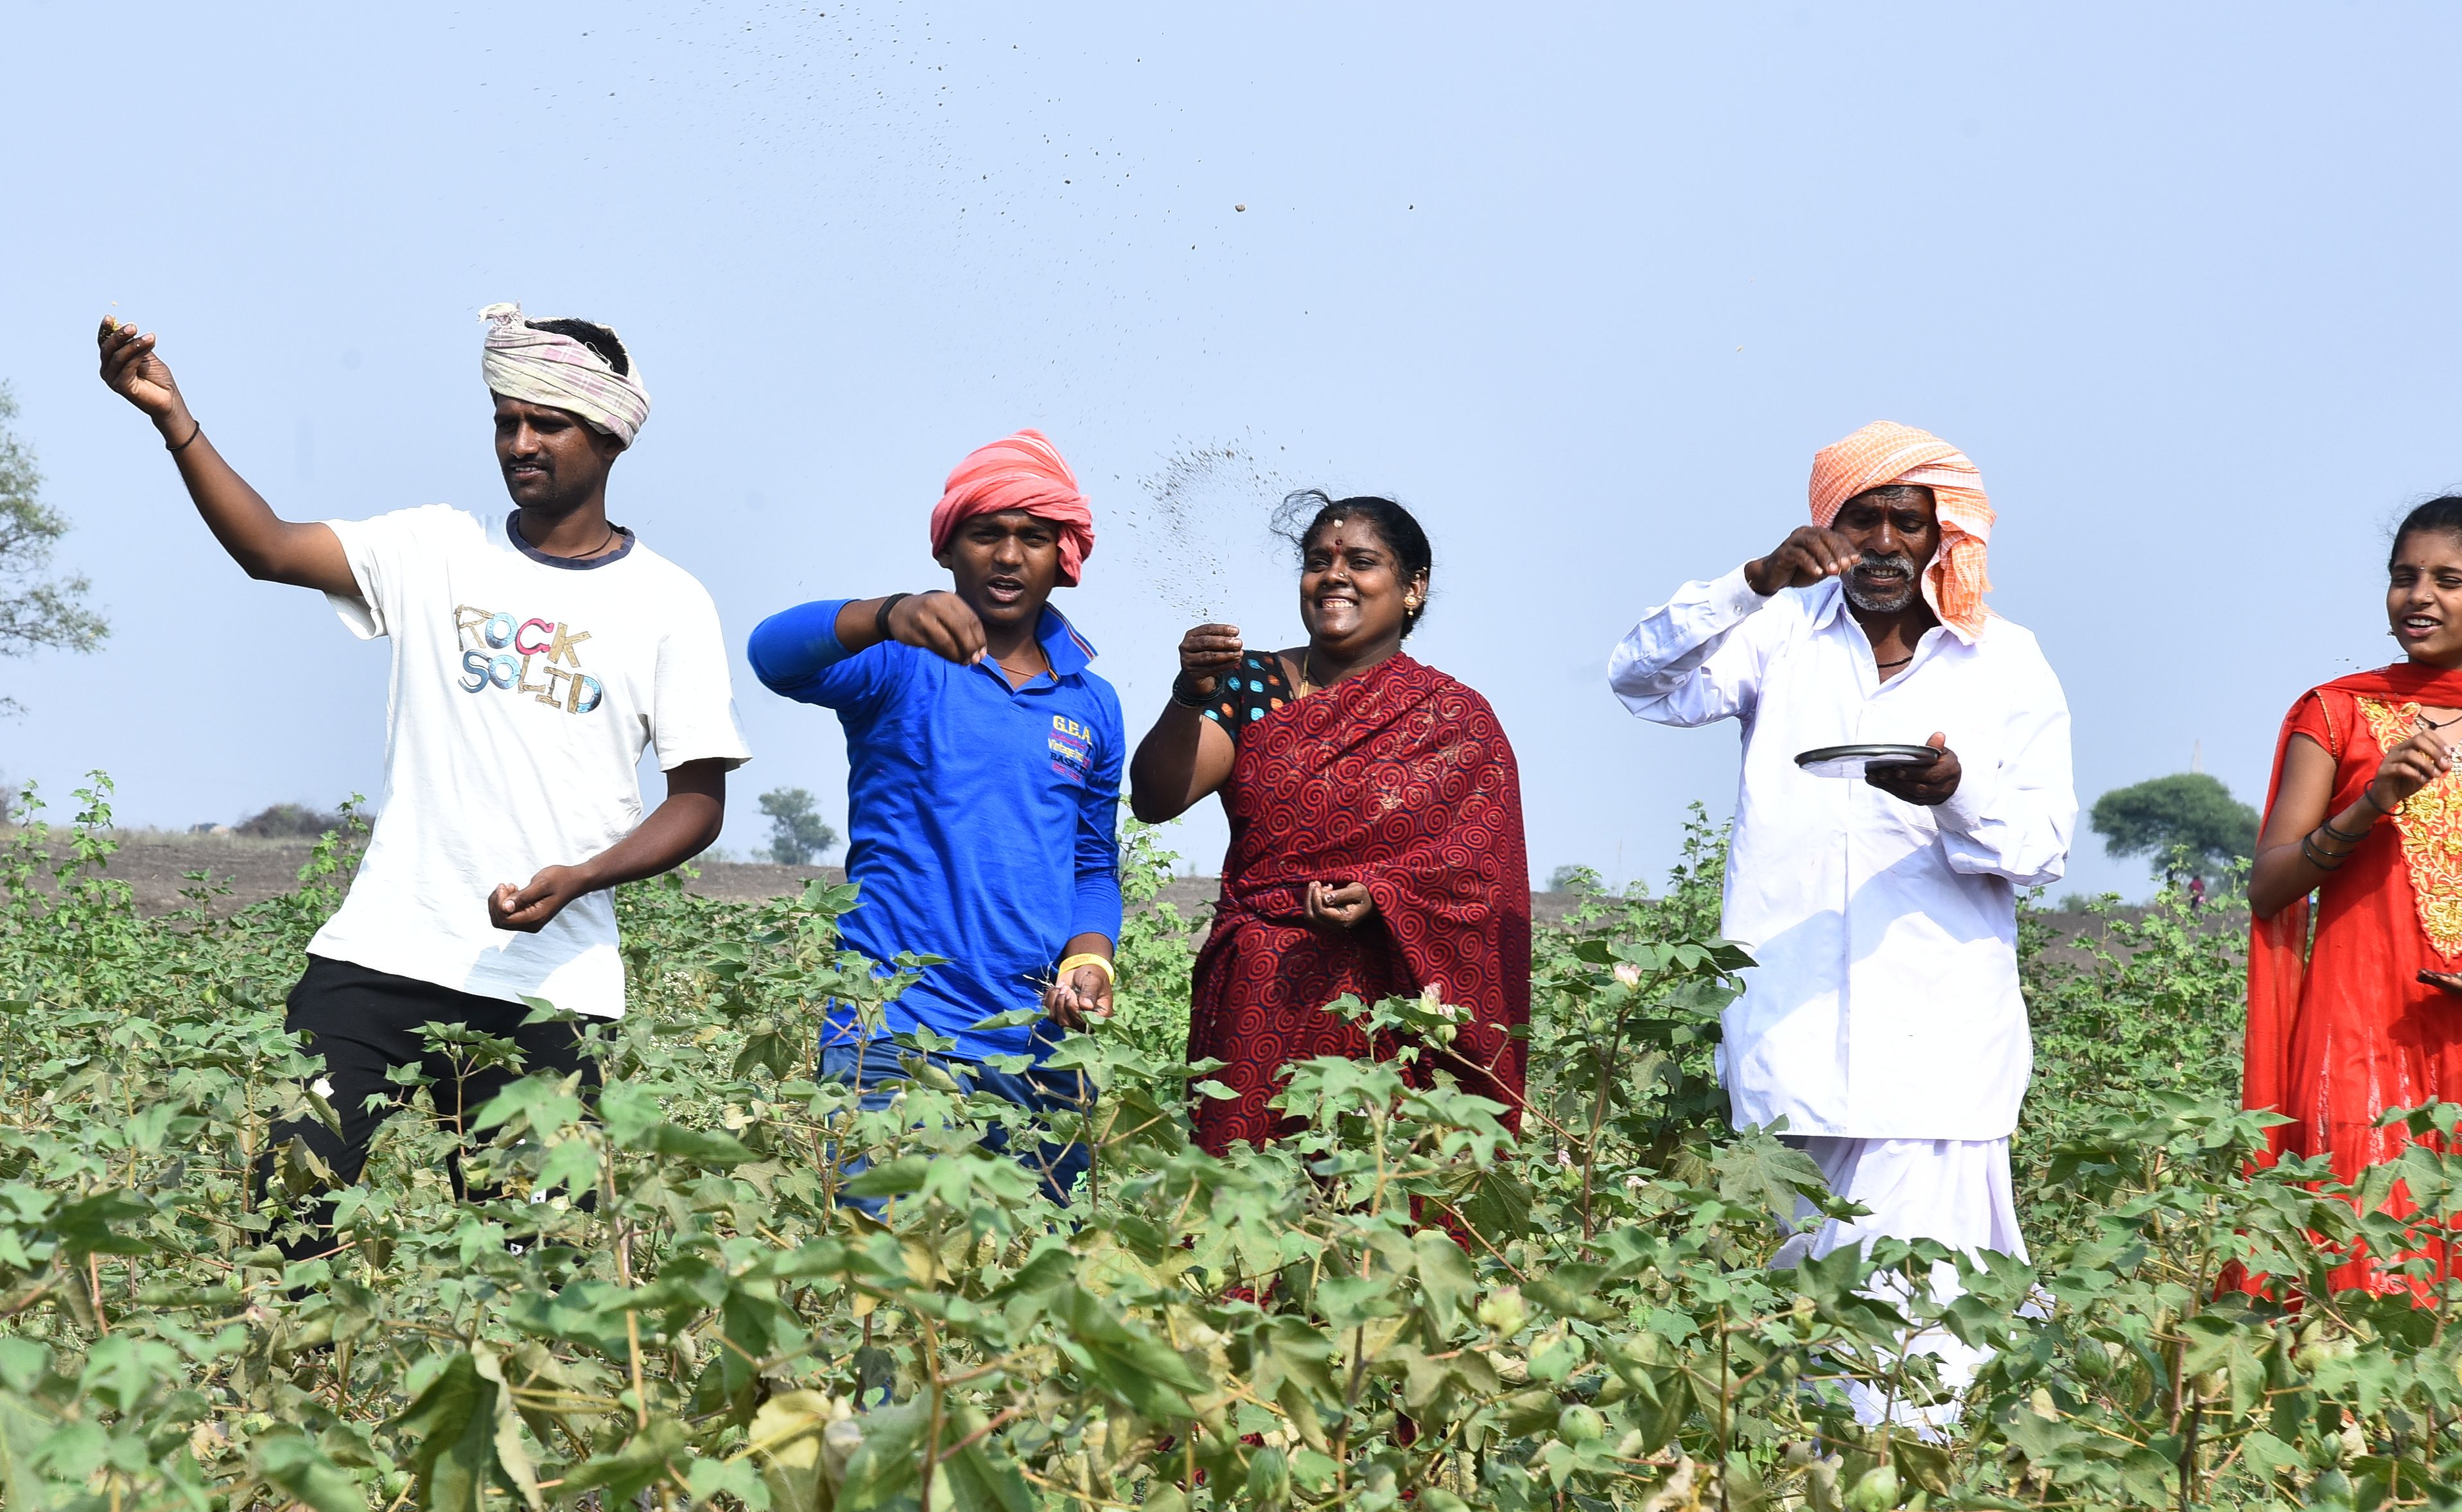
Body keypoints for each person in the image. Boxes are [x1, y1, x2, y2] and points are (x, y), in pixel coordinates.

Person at [95, 306, 750, 1249]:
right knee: (289, 1227)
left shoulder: (669, 603)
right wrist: (175, 421)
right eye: (503, 420)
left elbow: (697, 802)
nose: (519, 443)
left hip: (548, 988)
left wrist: (580, 877)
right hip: (380, 956)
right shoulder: (435, 549)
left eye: (546, 423)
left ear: (607, 434)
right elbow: (269, 548)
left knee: (532, 1279)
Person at [1608, 422, 2073, 1424]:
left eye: (1905, 522)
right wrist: (1752, 579)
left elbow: (2039, 842)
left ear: (1940, 535)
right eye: (1860, 519)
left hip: (1938, 1053)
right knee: (1805, 1310)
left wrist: (1954, 791)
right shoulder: (1776, 633)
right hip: (1791, 1039)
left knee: (1925, 1319)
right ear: (1827, 526)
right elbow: (1638, 679)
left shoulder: (2005, 661)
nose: (1882, 543)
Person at [746, 431, 1121, 1208]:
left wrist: (1092, 959)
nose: (1009, 556)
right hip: (890, 1027)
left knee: (1032, 1282)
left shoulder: (1093, 703)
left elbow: (1091, 863)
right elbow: (773, 655)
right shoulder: (899, 661)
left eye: (1034, 537)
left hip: (1035, 1043)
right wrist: (887, 615)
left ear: (1066, 555)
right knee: (877, 1269)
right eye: (986, 534)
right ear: (950, 549)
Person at [2245, 495, 2462, 1303]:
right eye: (2403, 577)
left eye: (2447, 579)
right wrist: (2368, 806)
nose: (2418, 596)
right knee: (2351, 1250)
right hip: (2355, 1030)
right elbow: (2269, 884)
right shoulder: (2335, 712)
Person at [1129, 493, 1531, 1153]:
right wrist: (1188, 695)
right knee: (1242, 1213)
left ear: (1413, 587)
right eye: (1318, 561)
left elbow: (1481, 876)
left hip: (1389, 1008)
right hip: (1260, 990)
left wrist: (1385, 894)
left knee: (1379, 1206)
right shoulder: (1252, 683)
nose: (1334, 575)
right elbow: (1155, 798)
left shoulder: (1455, 720)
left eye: (1362, 561)